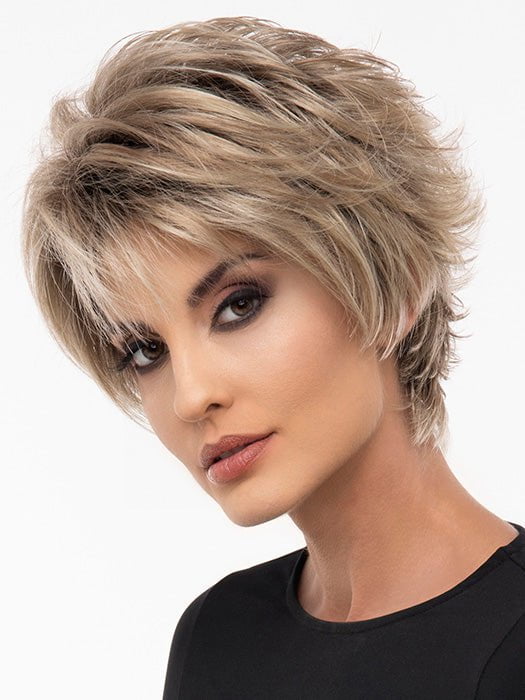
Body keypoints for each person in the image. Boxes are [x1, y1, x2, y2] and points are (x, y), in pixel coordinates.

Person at [21, 15, 525, 699]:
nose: (190, 396)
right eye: (145, 350)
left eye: (239, 305)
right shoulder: (216, 637)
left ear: (395, 281)